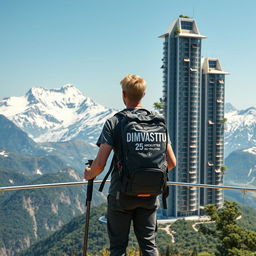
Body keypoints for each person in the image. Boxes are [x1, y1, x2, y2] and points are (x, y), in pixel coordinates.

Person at [84, 74, 176, 256]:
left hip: (121, 195)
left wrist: (88, 173)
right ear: (143, 94)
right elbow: (171, 163)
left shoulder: (114, 122)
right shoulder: (158, 122)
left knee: (118, 248)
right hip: (150, 194)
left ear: (123, 94)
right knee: (149, 246)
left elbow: (100, 165)